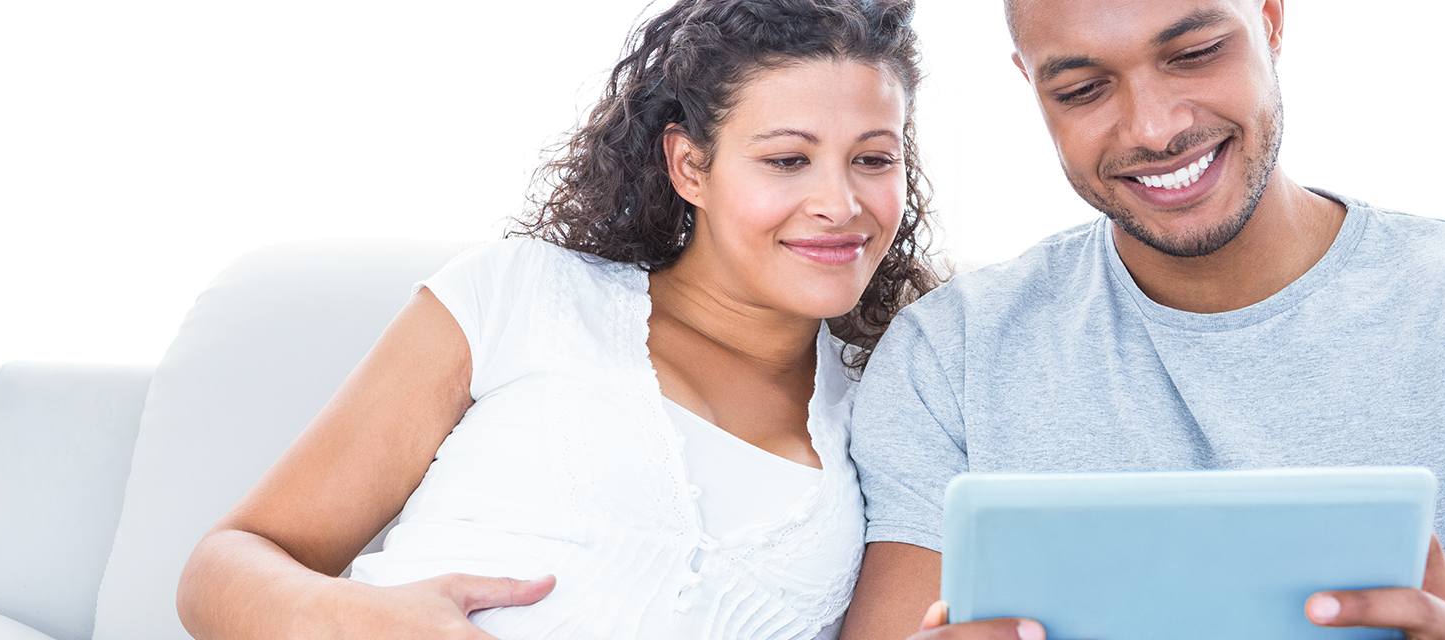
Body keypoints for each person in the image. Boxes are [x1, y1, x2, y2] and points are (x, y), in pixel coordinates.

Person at [838, 1, 1445, 639]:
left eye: (1196, 52)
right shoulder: (948, 354)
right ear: (1031, 88)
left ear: (1272, 20)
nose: (1155, 127)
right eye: (1084, 88)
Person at [176, 0, 938, 638]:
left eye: (873, 159)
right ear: (690, 167)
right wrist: (360, 621)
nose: (841, 205)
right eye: (787, 160)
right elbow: (223, 568)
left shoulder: (895, 403)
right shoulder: (523, 295)